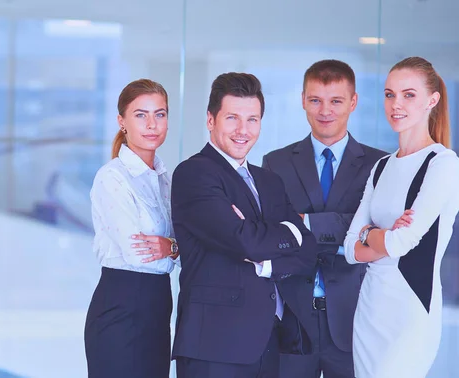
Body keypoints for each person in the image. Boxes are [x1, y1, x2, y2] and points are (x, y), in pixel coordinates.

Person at [171, 72, 317, 378]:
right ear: (210, 120)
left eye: (252, 119)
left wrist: (269, 262)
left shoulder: (270, 181)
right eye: (232, 118)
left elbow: (308, 252)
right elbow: (244, 241)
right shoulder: (194, 174)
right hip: (215, 345)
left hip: (269, 341)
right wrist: (290, 232)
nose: (243, 130)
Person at [262, 60, 386, 377]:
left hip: (354, 315)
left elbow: (374, 231)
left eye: (336, 101)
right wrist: (347, 228)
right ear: (303, 99)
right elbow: (274, 232)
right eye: (316, 100)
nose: (325, 111)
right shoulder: (275, 163)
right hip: (292, 317)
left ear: (353, 102)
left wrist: (305, 222)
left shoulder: (379, 165)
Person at [344, 56, 459, 378]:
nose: (396, 104)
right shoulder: (381, 167)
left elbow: (401, 243)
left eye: (409, 94)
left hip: (411, 309)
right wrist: (378, 234)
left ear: (431, 100)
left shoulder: (443, 164)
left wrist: (370, 233)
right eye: (389, 94)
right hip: (369, 308)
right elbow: (351, 249)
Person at [84, 79, 180, 378]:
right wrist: (175, 248)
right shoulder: (112, 177)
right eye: (141, 115)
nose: (152, 124)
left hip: (158, 304)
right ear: (122, 121)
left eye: (160, 114)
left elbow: (178, 245)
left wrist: (172, 247)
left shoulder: (164, 178)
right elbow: (138, 254)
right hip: (121, 304)